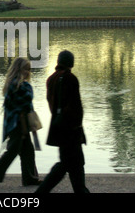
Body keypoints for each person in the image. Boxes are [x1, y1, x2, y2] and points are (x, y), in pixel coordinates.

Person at [35, 50, 90, 193]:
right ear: (71, 62)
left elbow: (52, 103)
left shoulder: (51, 79)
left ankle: (81, 190)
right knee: (67, 164)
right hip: (71, 129)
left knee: (74, 163)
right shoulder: (70, 78)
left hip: (58, 128)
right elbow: (76, 107)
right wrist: (78, 129)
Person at [0, 57, 41, 189]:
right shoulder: (17, 85)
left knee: (28, 151)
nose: (28, 72)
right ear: (18, 69)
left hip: (19, 123)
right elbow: (25, 102)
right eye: (26, 69)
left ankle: (30, 178)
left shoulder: (14, 84)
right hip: (17, 124)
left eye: (29, 69)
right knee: (12, 151)